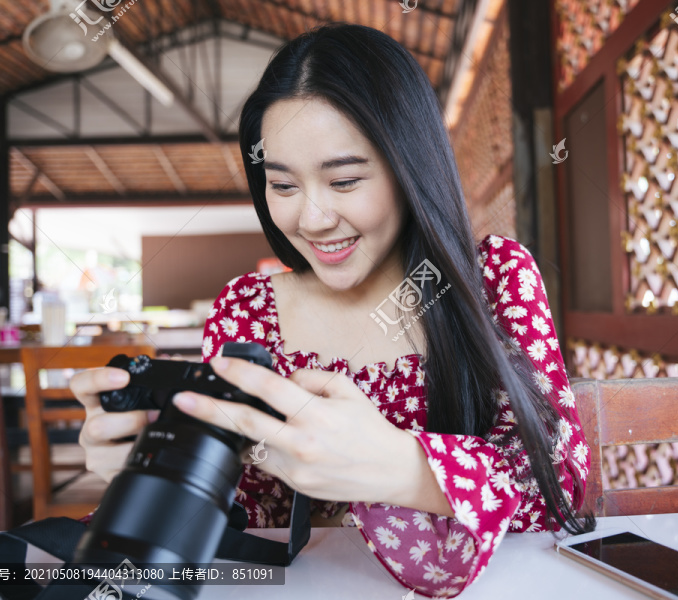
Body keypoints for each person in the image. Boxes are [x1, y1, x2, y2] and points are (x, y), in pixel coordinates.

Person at [72, 23, 594, 597]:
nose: (312, 219)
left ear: (409, 167)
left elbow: (558, 487)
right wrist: (150, 465)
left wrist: (400, 467)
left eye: (344, 180)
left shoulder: (490, 279)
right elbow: (243, 518)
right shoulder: (248, 309)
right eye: (283, 186)